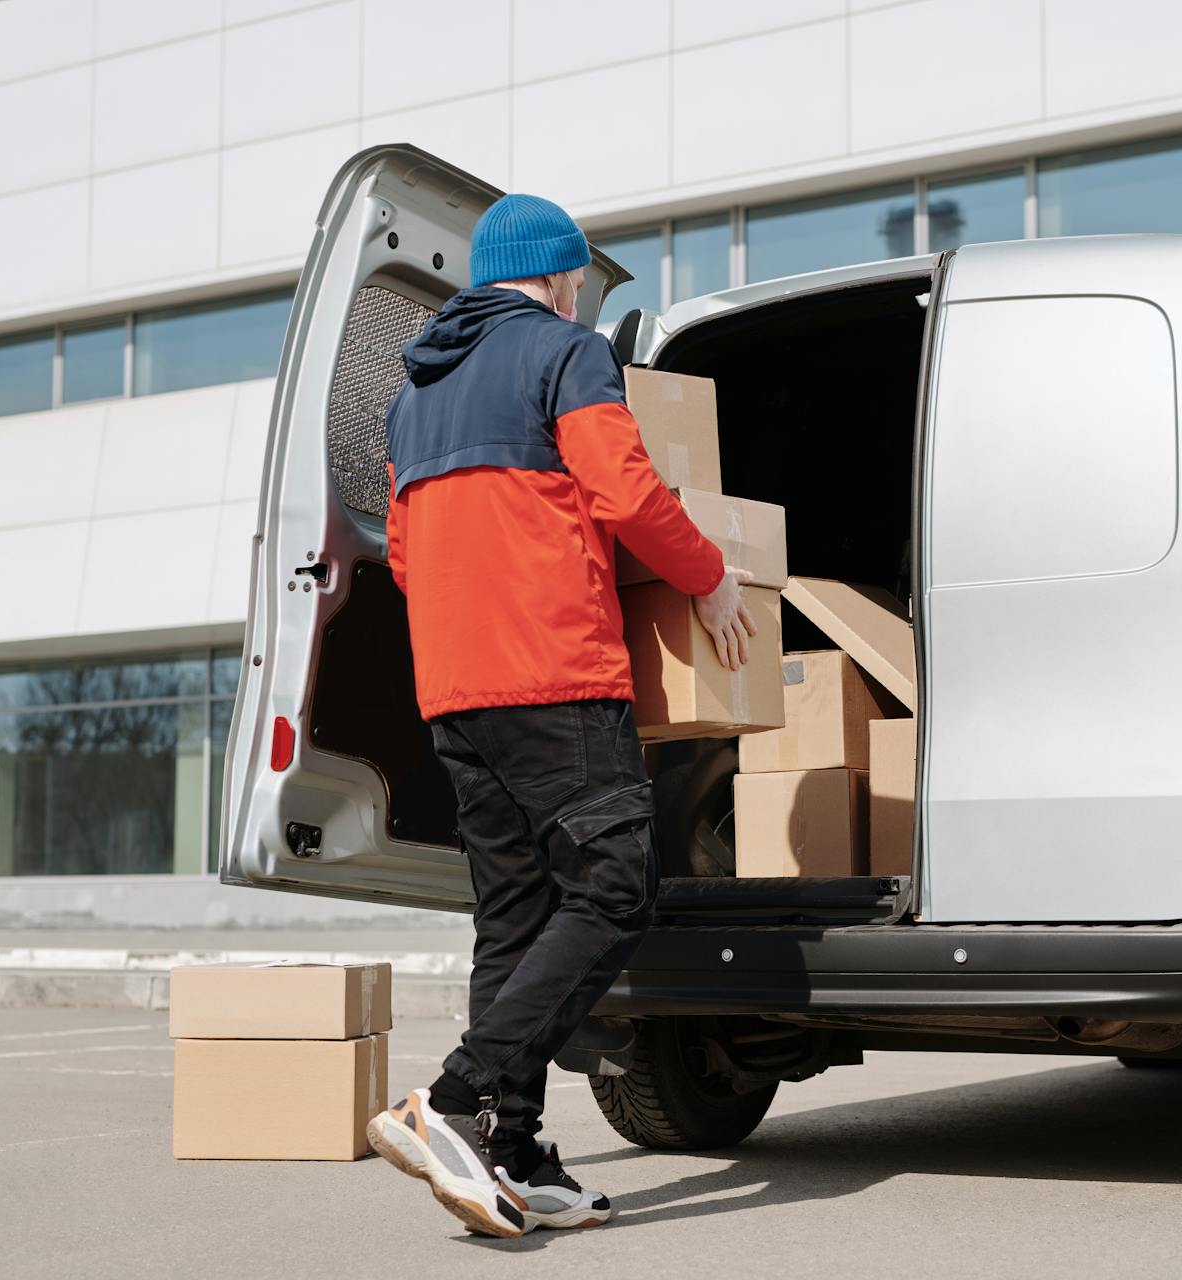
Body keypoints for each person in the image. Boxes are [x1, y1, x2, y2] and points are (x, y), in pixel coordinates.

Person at [364, 192, 757, 1238]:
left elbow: (405, 555)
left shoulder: (411, 399)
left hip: (455, 688)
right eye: (578, 276)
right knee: (615, 888)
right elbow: (624, 492)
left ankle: (513, 1143)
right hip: (555, 672)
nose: (580, 291)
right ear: (556, 273)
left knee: (516, 915)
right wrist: (710, 577)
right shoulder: (567, 354)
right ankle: (456, 1096)